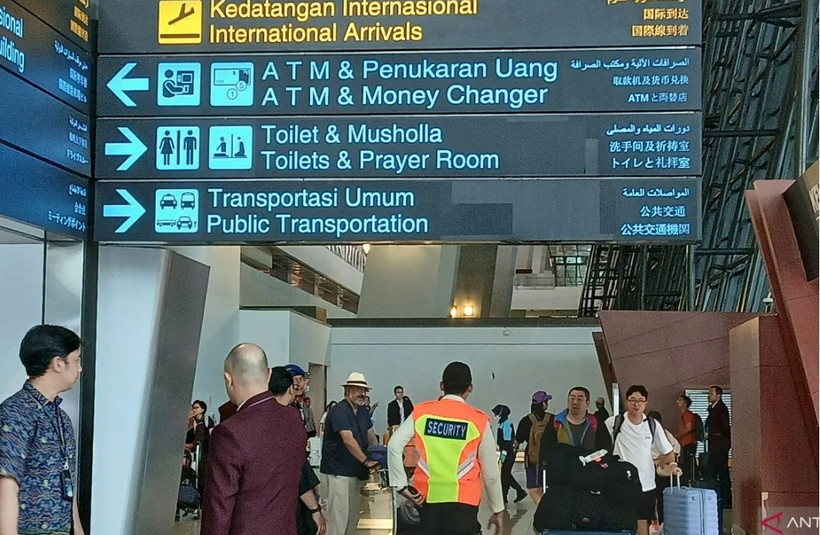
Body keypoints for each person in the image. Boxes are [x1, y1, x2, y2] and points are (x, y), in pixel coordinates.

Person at [388, 362, 505, 535]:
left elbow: (393, 446)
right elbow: (491, 473)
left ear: (442, 386)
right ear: (470, 388)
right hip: (464, 504)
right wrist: (498, 509)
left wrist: (401, 486)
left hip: (426, 500)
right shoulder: (478, 421)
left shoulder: (422, 412)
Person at [201, 343, 306, 535]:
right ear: (268, 374)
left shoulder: (229, 432)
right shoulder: (294, 419)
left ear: (228, 379)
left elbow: (219, 509)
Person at [0, 325, 86, 535]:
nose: (80, 369)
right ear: (58, 363)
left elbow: (68, 486)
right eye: (76, 360)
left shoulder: (61, 418)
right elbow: (7, 485)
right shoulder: (15, 412)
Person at [605, 385, 676, 535]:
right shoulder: (613, 423)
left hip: (646, 484)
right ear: (627, 402)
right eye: (632, 400)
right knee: (620, 520)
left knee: (642, 520)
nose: (636, 404)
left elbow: (669, 453)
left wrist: (659, 461)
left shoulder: (652, 425)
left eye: (640, 400)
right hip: (620, 483)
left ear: (646, 403)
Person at [270, 366, 327, 535]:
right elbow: (294, 463)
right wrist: (314, 507)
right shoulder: (286, 416)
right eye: (300, 379)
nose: (303, 383)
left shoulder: (294, 408)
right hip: (287, 493)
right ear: (291, 383)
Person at [320, 372, 379, 535]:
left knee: (353, 519)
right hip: (338, 472)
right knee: (338, 520)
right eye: (358, 390)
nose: (362, 394)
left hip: (355, 472)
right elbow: (348, 440)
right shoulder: (339, 410)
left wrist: (378, 455)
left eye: (364, 390)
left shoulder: (362, 411)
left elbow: (371, 435)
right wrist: (366, 460)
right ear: (348, 391)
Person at [540, 386, 612, 459]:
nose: (575, 402)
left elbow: (606, 449)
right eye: (572, 398)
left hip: (590, 468)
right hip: (563, 468)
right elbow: (545, 450)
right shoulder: (556, 422)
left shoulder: (596, 422)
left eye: (579, 399)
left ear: (587, 403)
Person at [514, 390, 553, 504]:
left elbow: (517, 441)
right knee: (550, 487)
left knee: (534, 489)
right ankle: (548, 509)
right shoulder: (553, 419)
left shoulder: (526, 420)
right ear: (543, 404)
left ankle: (542, 510)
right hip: (550, 459)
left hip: (532, 460)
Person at [647, 411, 681, 526]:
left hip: (666, 470)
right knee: (657, 499)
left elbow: (676, 448)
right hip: (654, 469)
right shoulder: (645, 435)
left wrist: (664, 458)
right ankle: (659, 523)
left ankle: (665, 522)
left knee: (665, 498)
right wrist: (658, 460)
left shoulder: (665, 433)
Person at [491, 404, 526, 505]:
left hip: (507, 452)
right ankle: (517, 492)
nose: (495, 415)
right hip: (505, 452)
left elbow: (506, 441)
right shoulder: (503, 424)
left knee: (505, 475)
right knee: (505, 474)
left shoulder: (506, 424)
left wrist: (504, 455)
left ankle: (508, 495)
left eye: (496, 413)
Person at [705, 385, 731, 507]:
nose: (708, 396)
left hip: (719, 445)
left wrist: (722, 440)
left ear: (718, 395)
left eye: (711, 393)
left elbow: (725, 427)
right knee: (712, 472)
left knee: (722, 472)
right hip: (714, 444)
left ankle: (725, 499)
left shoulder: (721, 409)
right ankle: (715, 497)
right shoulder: (713, 409)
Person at [186, 399, 211, 500]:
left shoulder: (205, 422)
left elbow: (200, 440)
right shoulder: (192, 423)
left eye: (196, 408)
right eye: (193, 408)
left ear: (202, 410)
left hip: (203, 453)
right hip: (193, 452)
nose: (194, 410)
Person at [675, 395, 698, 485]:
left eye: (680, 400)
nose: (677, 402)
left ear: (685, 403)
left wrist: (677, 435)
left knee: (689, 465)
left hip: (689, 443)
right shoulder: (684, 415)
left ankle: (692, 482)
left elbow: (689, 428)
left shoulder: (687, 414)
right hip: (685, 443)